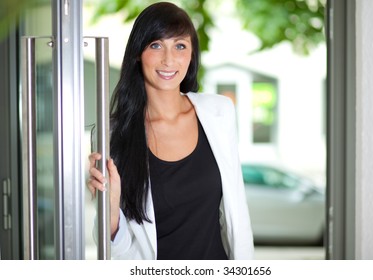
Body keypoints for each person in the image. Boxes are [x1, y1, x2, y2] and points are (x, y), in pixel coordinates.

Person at [87, 1, 254, 260]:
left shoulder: (219, 113)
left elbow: (236, 214)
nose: (168, 59)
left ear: (191, 55)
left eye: (180, 46)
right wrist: (109, 210)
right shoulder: (113, 134)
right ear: (138, 54)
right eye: (156, 45)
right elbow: (117, 253)